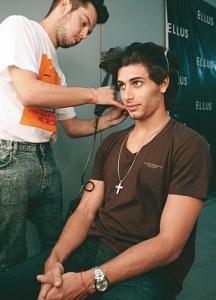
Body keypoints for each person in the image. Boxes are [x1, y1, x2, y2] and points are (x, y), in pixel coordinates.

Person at [0, 42, 212, 300]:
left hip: (148, 268)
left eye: (137, 83)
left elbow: (169, 244)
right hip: (93, 247)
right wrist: (55, 260)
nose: (127, 96)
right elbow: (85, 211)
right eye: (122, 86)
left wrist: (86, 281)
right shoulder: (111, 143)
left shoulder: (190, 146)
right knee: (9, 287)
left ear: (163, 84)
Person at [0, 0, 127, 274]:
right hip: (10, 159)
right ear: (65, 4)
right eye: (83, 22)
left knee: (56, 246)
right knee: (10, 256)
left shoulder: (57, 70)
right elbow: (29, 92)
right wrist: (94, 94)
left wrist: (104, 121)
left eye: (89, 32)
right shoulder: (20, 28)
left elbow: (71, 127)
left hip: (46, 159)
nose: (83, 34)